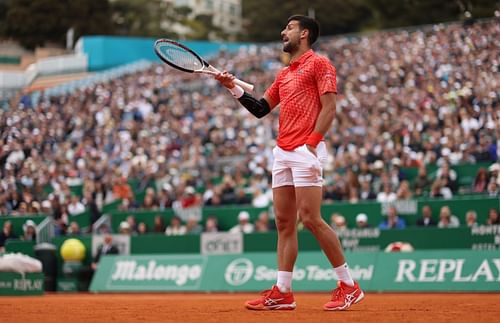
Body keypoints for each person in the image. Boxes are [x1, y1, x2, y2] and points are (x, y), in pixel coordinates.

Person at [215, 15, 363, 311]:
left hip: (305, 150)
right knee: (284, 223)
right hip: (282, 151)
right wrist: (233, 87)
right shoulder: (284, 74)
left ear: (304, 34)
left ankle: (349, 285)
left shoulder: (320, 64)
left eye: (290, 28)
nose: (283, 32)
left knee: (310, 218)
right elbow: (260, 109)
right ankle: (283, 291)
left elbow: (330, 108)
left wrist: (311, 144)